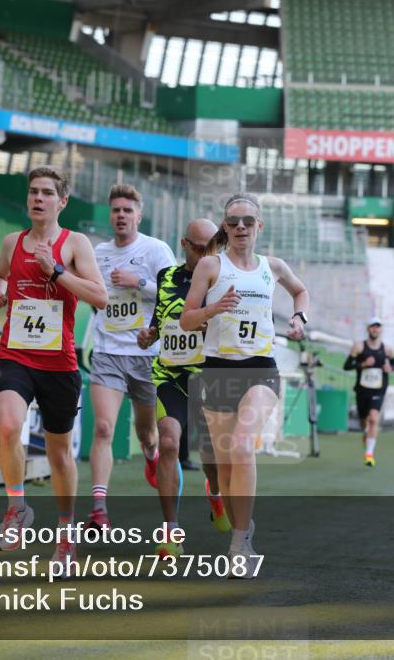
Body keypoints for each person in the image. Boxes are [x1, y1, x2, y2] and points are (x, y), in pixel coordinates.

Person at [180, 194, 309, 578]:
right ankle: (243, 525)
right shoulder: (210, 266)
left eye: (248, 221)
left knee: (241, 447)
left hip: (260, 370)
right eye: (233, 221)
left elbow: (300, 291)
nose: (240, 227)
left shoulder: (273, 267)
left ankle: (240, 544)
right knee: (224, 469)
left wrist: (299, 318)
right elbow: (187, 319)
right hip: (218, 371)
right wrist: (212, 309)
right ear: (225, 226)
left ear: (259, 226)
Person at [0, 165, 108, 573]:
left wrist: (55, 270)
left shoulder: (75, 243)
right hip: (16, 354)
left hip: (59, 363)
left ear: (62, 202)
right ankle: (16, 508)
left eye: (46, 193)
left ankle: (65, 535)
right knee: (9, 426)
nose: (38, 198)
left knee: (59, 454)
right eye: (33, 192)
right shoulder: (12, 242)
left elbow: (100, 297)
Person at [136, 218, 230, 558]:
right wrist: (149, 335)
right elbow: (161, 318)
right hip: (171, 375)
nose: (206, 254)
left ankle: (215, 494)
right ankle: (171, 531)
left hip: (207, 376)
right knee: (169, 442)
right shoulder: (167, 277)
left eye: (212, 248)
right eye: (200, 248)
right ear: (184, 245)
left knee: (211, 456)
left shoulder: (223, 278)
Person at [88, 184, 176, 529]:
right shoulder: (98, 252)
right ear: (110, 216)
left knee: (147, 433)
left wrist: (137, 281)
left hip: (146, 354)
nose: (121, 216)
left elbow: (175, 293)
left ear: (139, 215)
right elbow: (93, 293)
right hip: (108, 351)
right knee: (103, 427)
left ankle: (151, 456)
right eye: (116, 210)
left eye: (127, 210)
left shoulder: (156, 249)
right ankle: (98, 508)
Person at [344, 317, 394, 467]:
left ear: (381, 329)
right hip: (362, 390)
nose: (375, 329)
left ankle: (369, 454)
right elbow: (347, 366)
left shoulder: (387, 349)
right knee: (363, 421)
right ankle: (365, 432)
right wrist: (363, 364)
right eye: (373, 326)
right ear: (368, 329)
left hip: (379, 389)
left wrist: (390, 368)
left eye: (378, 327)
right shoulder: (359, 347)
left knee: (374, 418)